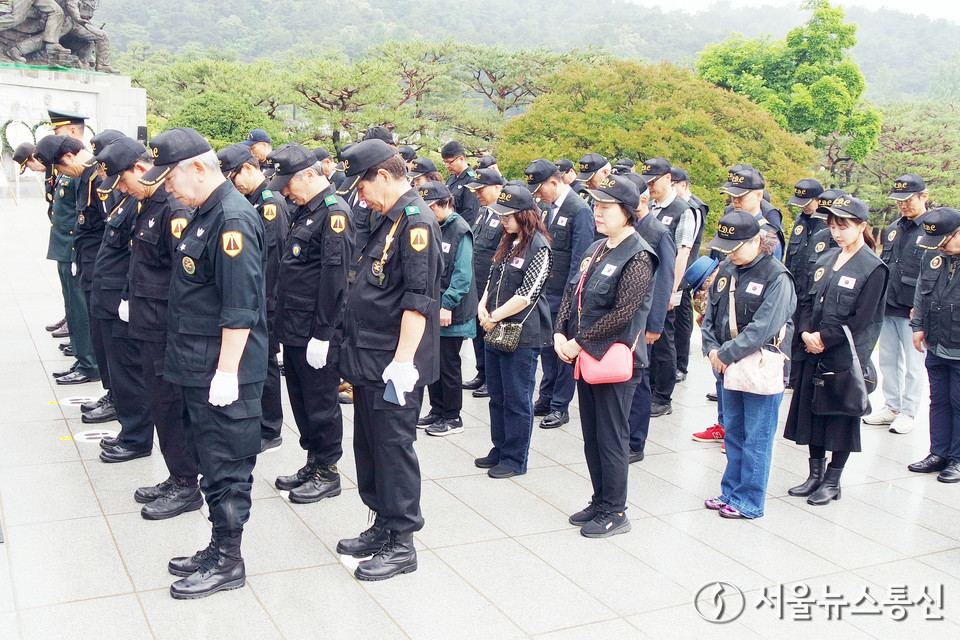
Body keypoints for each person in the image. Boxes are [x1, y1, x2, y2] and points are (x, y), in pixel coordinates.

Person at [144, 127, 268, 599]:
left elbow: (241, 307)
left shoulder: (232, 220)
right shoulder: (206, 212)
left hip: (223, 369)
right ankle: (217, 546)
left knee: (228, 468)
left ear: (199, 167)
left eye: (171, 178)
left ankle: (228, 560)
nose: (168, 188)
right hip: (199, 363)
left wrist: (227, 372)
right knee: (212, 463)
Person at [336, 139, 442, 581]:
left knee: (394, 448)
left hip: (393, 362)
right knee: (370, 444)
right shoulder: (389, 219)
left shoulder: (416, 223)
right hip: (369, 357)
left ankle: (402, 540)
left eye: (361, 185)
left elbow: (418, 302)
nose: (358, 195)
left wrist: (403, 362)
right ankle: (381, 522)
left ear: (383, 175)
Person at [106, 136, 202, 518]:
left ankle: (185, 482)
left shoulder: (173, 210)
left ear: (141, 170)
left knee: (170, 405)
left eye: (123, 180)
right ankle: (175, 472)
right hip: (147, 323)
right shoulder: (146, 204)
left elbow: (183, 277)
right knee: (161, 406)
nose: (122, 189)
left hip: (165, 328)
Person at [555, 176, 655, 536]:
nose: (598, 212)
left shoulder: (640, 254)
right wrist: (559, 332)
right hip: (585, 354)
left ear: (627, 213)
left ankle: (615, 510)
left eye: (606, 207)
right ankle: (599, 500)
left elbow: (623, 313)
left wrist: (577, 343)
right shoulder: (597, 248)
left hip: (615, 360)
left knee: (612, 437)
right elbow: (572, 291)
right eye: (596, 206)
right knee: (592, 435)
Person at [263, 142, 354, 502]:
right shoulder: (305, 209)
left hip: (317, 330)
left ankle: (328, 471)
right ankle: (313, 461)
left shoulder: (334, 213)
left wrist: (323, 333)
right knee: (300, 399)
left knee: (320, 402)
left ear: (309, 175)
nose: (285, 190)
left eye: (289, 182)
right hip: (296, 324)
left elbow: (334, 279)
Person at [784, 196, 888, 506]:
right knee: (813, 412)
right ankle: (814, 474)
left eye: (843, 226)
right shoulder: (826, 258)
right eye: (832, 226)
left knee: (842, 417)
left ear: (862, 227)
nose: (837, 232)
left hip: (844, 356)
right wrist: (804, 332)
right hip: (812, 349)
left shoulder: (873, 268)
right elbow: (805, 300)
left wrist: (825, 339)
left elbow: (862, 319)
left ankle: (833, 479)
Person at [701, 211, 796, 519]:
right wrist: (712, 350)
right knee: (734, 432)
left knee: (756, 437)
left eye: (736, 246)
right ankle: (730, 491)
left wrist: (726, 354)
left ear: (756, 240)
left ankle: (750, 501)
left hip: (757, 365)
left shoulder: (777, 276)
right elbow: (710, 316)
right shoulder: (727, 268)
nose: (730, 252)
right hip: (726, 364)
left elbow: (764, 326)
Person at [476, 185, 553, 478]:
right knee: (497, 394)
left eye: (509, 216)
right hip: (494, 326)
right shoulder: (507, 240)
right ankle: (500, 448)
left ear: (525, 214)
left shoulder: (539, 246)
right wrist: (482, 305)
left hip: (520, 333)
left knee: (518, 398)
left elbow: (527, 293)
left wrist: (494, 316)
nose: (504, 221)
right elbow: (492, 277)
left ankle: (514, 458)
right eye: (500, 216)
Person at [218, 143, 290, 453]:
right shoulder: (250, 200)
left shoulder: (269, 203)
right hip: (258, 297)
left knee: (267, 362)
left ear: (249, 168)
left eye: (234, 177)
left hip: (268, 297)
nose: (232, 184)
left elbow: (271, 260)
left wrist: (266, 302)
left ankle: (270, 427)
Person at [526, 158, 594, 429]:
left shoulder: (579, 210)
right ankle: (546, 396)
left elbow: (581, 259)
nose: (538, 195)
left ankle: (559, 405)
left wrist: (571, 299)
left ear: (554, 182)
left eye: (541, 189)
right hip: (545, 291)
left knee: (563, 351)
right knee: (546, 349)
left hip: (564, 293)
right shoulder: (545, 208)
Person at [864, 174, 930, 434]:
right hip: (888, 302)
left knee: (914, 364)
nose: (903, 205)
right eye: (899, 201)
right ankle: (891, 406)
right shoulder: (893, 228)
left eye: (908, 200)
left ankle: (909, 411)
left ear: (923, 197)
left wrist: (922, 307)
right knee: (889, 359)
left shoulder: (931, 230)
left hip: (913, 307)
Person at [33, 133, 101, 386]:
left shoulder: (94, 175)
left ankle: (89, 363)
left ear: (70, 156)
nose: (60, 172)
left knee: (81, 309)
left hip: (81, 251)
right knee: (74, 308)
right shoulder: (81, 174)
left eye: (60, 166)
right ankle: (83, 359)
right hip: (72, 249)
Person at [620, 174, 675, 463]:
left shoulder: (657, 230)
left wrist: (655, 325)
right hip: (622, 318)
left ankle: (635, 442)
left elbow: (664, 280)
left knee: (639, 380)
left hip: (644, 320)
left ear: (642, 200)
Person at [416, 182, 477, 437]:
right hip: (434, 305)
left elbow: (463, 275)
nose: (427, 212)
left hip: (452, 309)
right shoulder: (434, 226)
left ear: (445, 204)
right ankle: (437, 409)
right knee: (434, 362)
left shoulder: (460, 229)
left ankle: (453, 416)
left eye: (431, 207)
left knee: (449, 365)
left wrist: (447, 303)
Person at [908, 207, 960, 482]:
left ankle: (957, 458)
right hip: (937, 342)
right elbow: (920, 293)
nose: (939, 247)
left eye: (944, 241)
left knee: (959, 401)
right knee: (938, 400)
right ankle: (938, 452)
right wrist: (917, 328)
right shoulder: (934, 256)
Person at [640, 157, 694, 416]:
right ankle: (650, 389)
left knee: (664, 342)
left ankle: (664, 396)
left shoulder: (683, 210)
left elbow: (683, 253)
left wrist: (671, 291)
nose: (650, 187)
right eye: (647, 182)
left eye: (654, 181)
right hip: (647, 284)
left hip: (668, 286)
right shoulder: (650, 206)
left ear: (668, 179)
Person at [462, 167, 506, 397]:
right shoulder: (483, 211)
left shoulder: (504, 216)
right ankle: (482, 372)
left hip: (492, 283)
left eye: (482, 190)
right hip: (475, 280)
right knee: (478, 331)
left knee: (490, 329)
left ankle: (492, 378)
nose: (477, 194)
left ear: (498, 187)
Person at [784, 178, 827, 388]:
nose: (803, 206)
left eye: (807, 201)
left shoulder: (826, 224)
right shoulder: (800, 221)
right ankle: (791, 378)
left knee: (807, 334)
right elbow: (790, 258)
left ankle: (801, 378)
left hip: (814, 291)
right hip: (796, 288)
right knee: (793, 333)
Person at [669, 167, 707, 383]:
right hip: (673, 268)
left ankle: (681, 364)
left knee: (682, 319)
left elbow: (688, 246)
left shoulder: (694, 207)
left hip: (685, 272)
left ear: (683, 185)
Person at [441, 141, 481, 226]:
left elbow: (470, 214)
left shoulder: (471, 180)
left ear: (461, 159)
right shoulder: (452, 178)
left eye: (449, 162)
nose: (447, 166)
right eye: (445, 162)